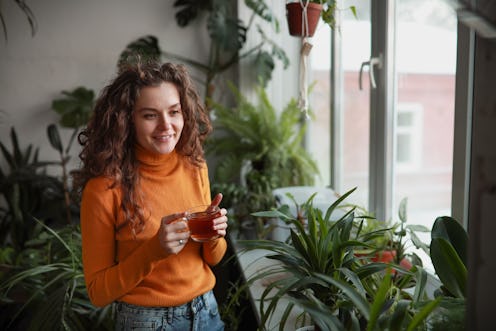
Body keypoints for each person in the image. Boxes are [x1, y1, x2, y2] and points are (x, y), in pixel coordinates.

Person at [73, 60, 228, 331]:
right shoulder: (103, 190)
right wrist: (154, 250)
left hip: (206, 311)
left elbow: (212, 258)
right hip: (146, 322)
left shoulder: (195, 165)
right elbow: (98, 292)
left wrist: (214, 234)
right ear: (126, 119)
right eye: (150, 115)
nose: (166, 126)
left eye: (174, 111)